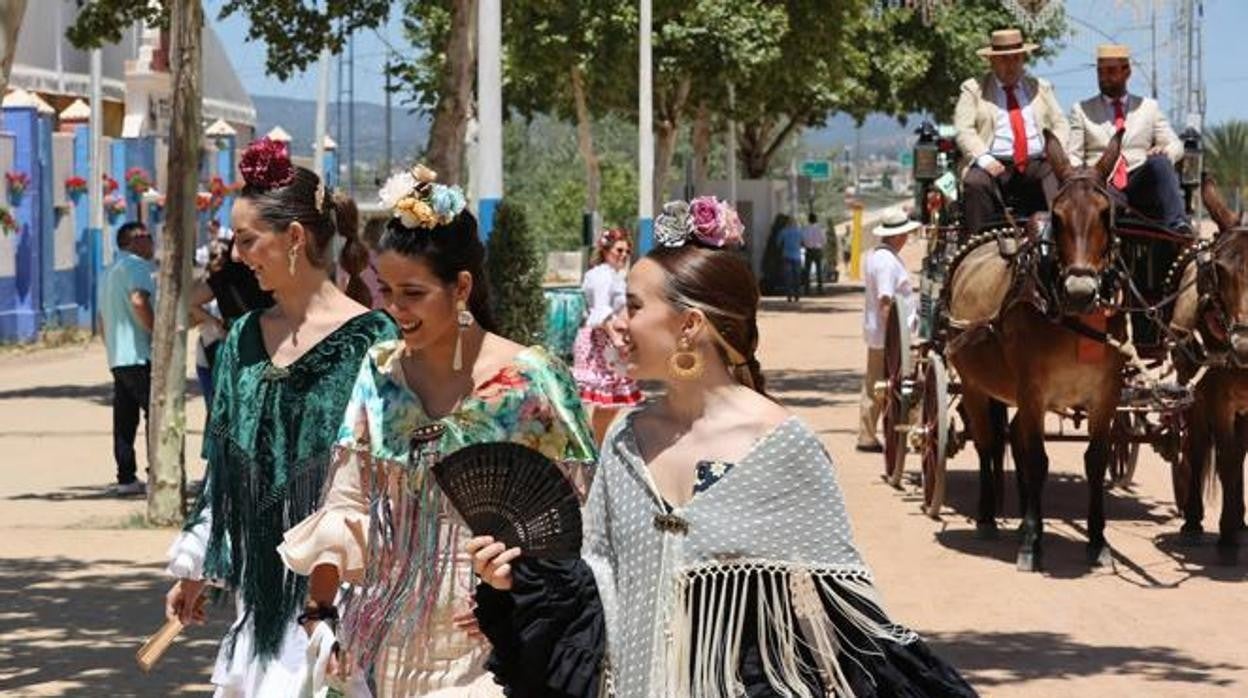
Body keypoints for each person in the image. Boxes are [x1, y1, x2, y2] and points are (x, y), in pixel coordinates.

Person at [472, 197, 975, 697]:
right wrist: (517, 583)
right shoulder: (625, 439)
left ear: (689, 325)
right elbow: (595, 582)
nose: (619, 323)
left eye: (635, 306)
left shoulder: (785, 449)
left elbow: (840, 618)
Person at [278, 164, 596, 698]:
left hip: (493, 639)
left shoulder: (531, 382)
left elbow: (577, 517)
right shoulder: (378, 372)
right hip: (383, 642)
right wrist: (321, 612)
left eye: (413, 293)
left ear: (462, 287)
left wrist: (513, 590)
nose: (394, 309)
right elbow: (346, 502)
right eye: (385, 290)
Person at [162, 137, 395, 697]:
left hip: (345, 597)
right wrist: (197, 562)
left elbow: (389, 481)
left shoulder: (374, 342)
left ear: (293, 238)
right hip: (259, 595)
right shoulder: (242, 337)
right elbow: (226, 467)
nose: (238, 256)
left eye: (247, 240)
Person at [1066, 44, 1191, 235]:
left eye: (1111, 71)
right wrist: (1084, 177)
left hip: (1138, 179)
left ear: (1127, 72)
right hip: (1102, 184)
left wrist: (1166, 151)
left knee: (1160, 163)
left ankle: (1178, 225)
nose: (1104, 77)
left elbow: (1176, 145)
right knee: (1095, 189)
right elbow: (1073, 155)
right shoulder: (1081, 110)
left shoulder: (1149, 108)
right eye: (1100, 71)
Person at [955, 28, 1069, 234]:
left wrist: (1054, 153)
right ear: (991, 61)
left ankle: (1059, 244)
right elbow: (964, 130)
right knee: (974, 183)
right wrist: (984, 159)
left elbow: (1060, 123)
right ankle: (979, 247)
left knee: (1062, 179)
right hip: (994, 163)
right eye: (1004, 59)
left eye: (1016, 58)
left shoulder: (1040, 88)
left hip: (1037, 161)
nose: (1011, 65)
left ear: (1023, 59)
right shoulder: (973, 89)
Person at [98, 220, 155, 496]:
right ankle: (158, 471)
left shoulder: (109, 271)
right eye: (147, 236)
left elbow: (101, 319)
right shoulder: (137, 266)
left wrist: (110, 346)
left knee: (124, 417)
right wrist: (157, 332)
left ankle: (126, 477)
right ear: (133, 241)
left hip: (118, 356)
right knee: (156, 413)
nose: (152, 241)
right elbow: (138, 300)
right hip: (139, 352)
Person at [857, 209, 919, 453]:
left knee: (874, 384)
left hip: (881, 335)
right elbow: (886, 301)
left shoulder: (877, 256)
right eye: (903, 234)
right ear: (895, 236)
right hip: (891, 338)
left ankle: (867, 434)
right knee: (909, 383)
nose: (905, 239)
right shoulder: (887, 262)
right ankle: (912, 432)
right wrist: (896, 340)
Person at [573, 227, 643, 444]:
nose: (623, 255)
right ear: (606, 250)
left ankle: (597, 443)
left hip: (611, 341)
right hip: (603, 342)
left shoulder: (613, 274)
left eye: (626, 251)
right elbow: (600, 312)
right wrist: (616, 339)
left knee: (613, 400)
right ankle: (594, 444)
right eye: (619, 250)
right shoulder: (602, 275)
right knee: (606, 399)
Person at [777, 215, 804, 302]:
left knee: (788, 277)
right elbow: (803, 242)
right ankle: (797, 295)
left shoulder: (783, 231)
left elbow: (778, 242)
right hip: (797, 256)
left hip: (786, 255)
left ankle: (789, 296)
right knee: (797, 276)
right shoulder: (799, 232)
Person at [800, 212, 828, 295]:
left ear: (809, 220)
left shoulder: (805, 229)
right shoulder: (820, 229)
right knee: (819, 270)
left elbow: (803, 240)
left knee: (807, 270)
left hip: (809, 250)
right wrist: (820, 245)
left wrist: (806, 244)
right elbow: (824, 240)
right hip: (818, 250)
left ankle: (807, 290)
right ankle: (820, 289)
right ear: (816, 219)